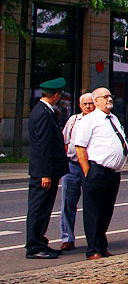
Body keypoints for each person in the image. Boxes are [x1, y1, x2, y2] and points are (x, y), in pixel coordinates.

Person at [73, 87, 128, 260]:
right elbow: (80, 147)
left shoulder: (113, 118)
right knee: (93, 211)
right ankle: (93, 250)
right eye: (105, 97)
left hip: (112, 173)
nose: (109, 99)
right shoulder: (89, 120)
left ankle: (102, 246)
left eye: (110, 96)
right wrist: (87, 172)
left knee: (106, 211)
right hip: (96, 171)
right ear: (96, 101)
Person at [25, 77, 69, 259]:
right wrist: (44, 174)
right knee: (39, 208)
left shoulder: (43, 111)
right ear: (56, 95)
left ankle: (39, 241)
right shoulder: (43, 114)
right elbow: (42, 146)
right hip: (43, 172)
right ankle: (34, 246)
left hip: (47, 170)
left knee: (44, 208)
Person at [60, 93, 95, 252]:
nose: (88, 106)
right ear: (80, 106)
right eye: (85, 104)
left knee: (93, 204)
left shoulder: (98, 121)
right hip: (73, 166)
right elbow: (66, 141)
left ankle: (94, 239)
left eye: (91, 103)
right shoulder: (74, 120)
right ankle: (67, 238)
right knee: (68, 203)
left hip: (91, 166)